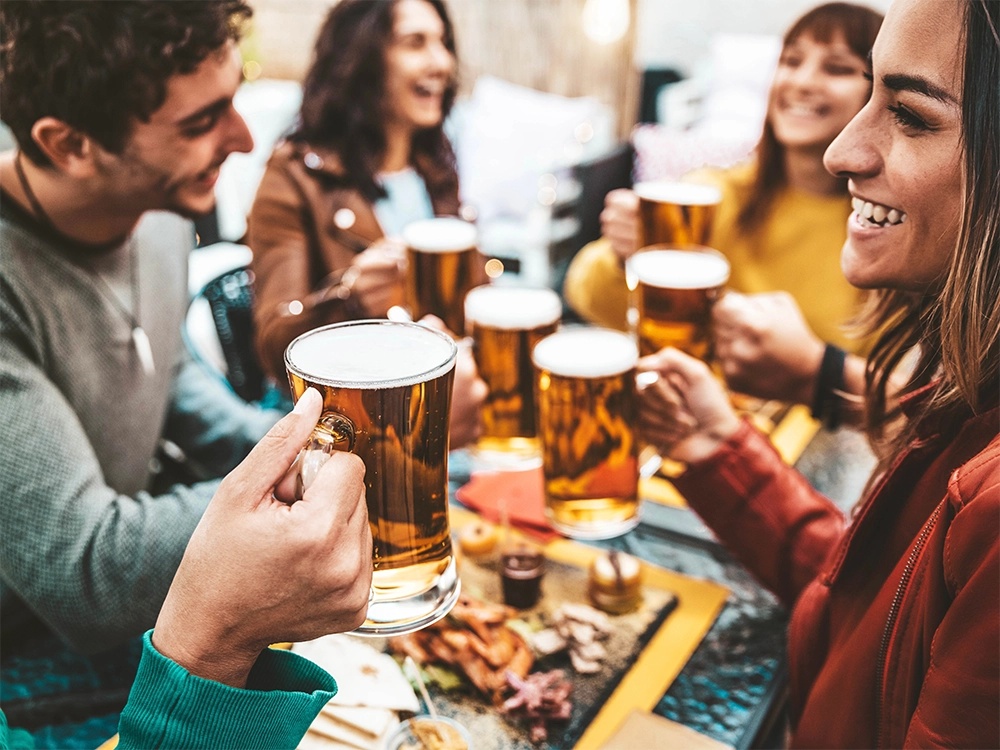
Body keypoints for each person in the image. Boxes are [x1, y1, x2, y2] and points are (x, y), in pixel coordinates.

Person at [640, 0, 1000, 744]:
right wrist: (718, 448)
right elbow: (867, 613)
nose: (843, 151)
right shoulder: (965, 387)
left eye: (912, 115)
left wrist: (816, 375)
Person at [3, 390, 374, 749]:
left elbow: (174, 380)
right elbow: (85, 575)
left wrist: (289, 456)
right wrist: (208, 655)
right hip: (35, 649)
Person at [564, 3, 882, 415]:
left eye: (836, 68)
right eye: (790, 61)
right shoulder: (713, 196)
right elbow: (586, 295)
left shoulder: (882, 226)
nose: (802, 82)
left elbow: (899, 391)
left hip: (823, 449)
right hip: (697, 429)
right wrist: (626, 256)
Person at [248, 0, 461, 382]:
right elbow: (272, 342)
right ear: (363, 58)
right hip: (355, 418)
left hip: (444, 389)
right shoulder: (296, 174)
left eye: (442, 42)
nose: (442, 62)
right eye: (415, 42)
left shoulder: (435, 167)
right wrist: (349, 301)